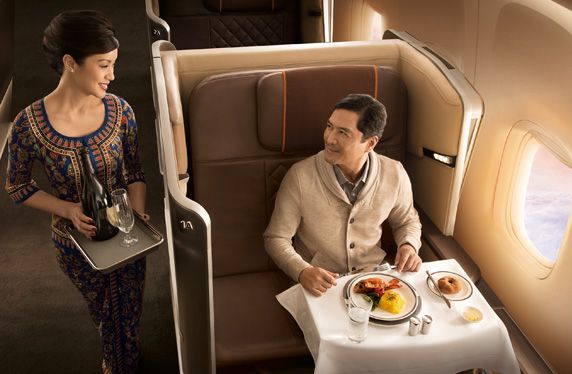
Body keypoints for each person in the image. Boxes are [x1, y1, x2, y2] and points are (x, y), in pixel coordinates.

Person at [5, 10, 148, 373]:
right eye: (103, 65)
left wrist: (138, 213)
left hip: (128, 239)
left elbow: (135, 172)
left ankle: (119, 364)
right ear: (70, 62)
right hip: (75, 247)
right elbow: (17, 187)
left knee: (126, 317)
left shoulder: (121, 111)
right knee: (104, 313)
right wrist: (68, 209)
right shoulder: (28, 124)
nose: (112, 75)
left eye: (114, 64)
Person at [264, 94, 422, 297]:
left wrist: (409, 244)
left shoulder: (395, 173)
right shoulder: (300, 176)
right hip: (320, 286)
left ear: (370, 143)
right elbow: (276, 237)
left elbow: (407, 221)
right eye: (329, 126)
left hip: (373, 279)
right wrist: (302, 271)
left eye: (343, 133)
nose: (329, 138)